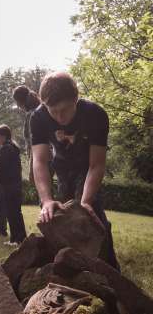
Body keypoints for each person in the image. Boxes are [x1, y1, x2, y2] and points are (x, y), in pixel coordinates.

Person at [30, 71, 119, 270]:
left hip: (86, 167)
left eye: (65, 110)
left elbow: (96, 164)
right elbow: (40, 161)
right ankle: (66, 270)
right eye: (53, 111)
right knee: (56, 217)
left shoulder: (95, 114)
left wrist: (86, 201)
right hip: (62, 168)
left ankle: (110, 272)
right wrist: (45, 200)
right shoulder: (38, 117)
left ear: (76, 99)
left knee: (91, 215)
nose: (60, 117)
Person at [13, 85, 41, 183]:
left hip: (40, 161)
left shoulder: (32, 115)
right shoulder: (40, 111)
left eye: (16, 102)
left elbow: (35, 144)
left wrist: (31, 170)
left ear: (20, 102)